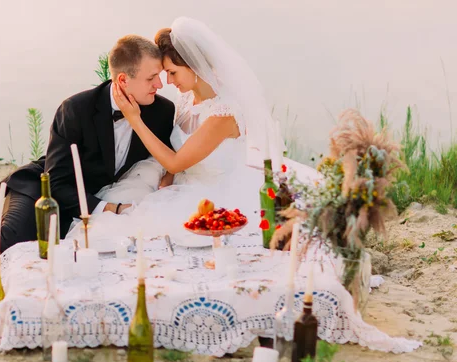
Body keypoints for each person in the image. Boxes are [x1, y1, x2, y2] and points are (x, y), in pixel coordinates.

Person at [0, 35, 175, 284]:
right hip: (44, 185)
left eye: (160, 76)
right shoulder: (76, 109)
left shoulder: (162, 111)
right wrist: (111, 208)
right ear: (123, 79)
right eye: (152, 78)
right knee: (15, 235)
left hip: (89, 194)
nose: (159, 85)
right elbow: (57, 182)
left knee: (59, 246)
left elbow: (165, 158)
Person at [65, 17, 313, 244]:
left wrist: (134, 119)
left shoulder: (223, 113)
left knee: (154, 234)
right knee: (119, 228)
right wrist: (165, 183)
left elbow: (175, 161)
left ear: (194, 66)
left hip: (214, 192)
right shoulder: (186, 98)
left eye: (172, 73)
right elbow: (176, 154)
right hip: (178, 186)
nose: (168, 82)